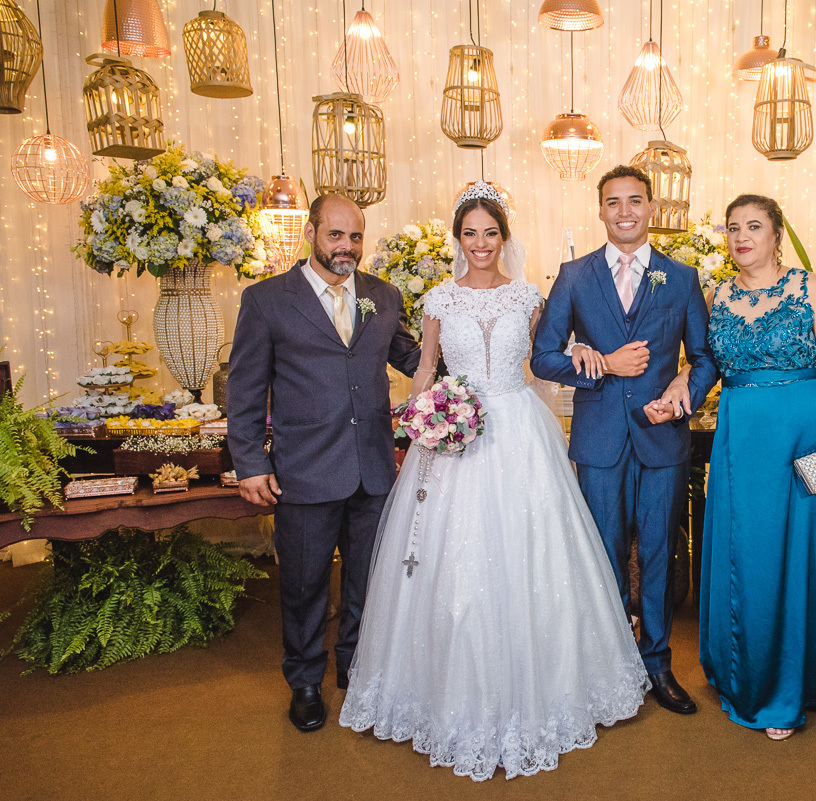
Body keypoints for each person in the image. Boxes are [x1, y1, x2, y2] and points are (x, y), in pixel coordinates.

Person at [339, 184, 648, 781]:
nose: (480, 244)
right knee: (450, 561)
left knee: (529, 552)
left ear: (503, 238)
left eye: (490, 233)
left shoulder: (529, 297)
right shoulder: (437, 300)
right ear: (458, 240)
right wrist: (422, 413)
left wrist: (587, 352)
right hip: (454, 430)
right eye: (470, 234)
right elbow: (426, 365)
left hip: (517, 428)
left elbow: (548, 355)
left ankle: (550, 689)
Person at [226, 192, 422, 733]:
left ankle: (355, 669)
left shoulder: (381, 295)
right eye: (336, 235)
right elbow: (244, 390)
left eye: (356, 236)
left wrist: (475, 353)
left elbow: (407, 356)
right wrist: (249, 463)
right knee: (307, 584)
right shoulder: (266, 300)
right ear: (312, 233)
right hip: (305, 470)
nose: (347, 247)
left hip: (375, 468)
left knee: (368, 580)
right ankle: (305, 682)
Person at [530, 165, 719, 715]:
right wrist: (598, 364)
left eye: (635, 201)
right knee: (603, 553)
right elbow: (542, 357)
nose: (625, 212)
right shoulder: (573, 275)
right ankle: (609, 667)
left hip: (662, 438)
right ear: (600, 210)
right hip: (599, 440)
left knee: (661, 553)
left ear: (652, 208)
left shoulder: (680, 278)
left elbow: (705, 358)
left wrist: (687, 387)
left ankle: (657, 664)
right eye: (613, 202)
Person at [693, 194, 816, 740]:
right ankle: (749, 675)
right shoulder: (717, 293)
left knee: (800, 557)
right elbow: (705, 369)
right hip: (741, 439)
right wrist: (677, 387)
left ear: (776, 234)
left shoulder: (810, 288)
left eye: (754, 226)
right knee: (750, 553)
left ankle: (795, 688)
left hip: (801, 437)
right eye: (733, 226)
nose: (742, 236)